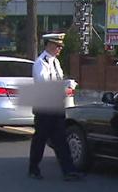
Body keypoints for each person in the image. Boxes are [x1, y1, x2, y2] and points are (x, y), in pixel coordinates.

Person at [28, 33, 83, 181]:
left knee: (60, 139)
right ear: (48, 45)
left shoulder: (55, 62)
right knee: (40, 138)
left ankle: (68, 170)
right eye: (57, 46)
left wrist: (68, 84)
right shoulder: (41, 63)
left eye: (60, 46)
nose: (59, 49)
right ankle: (33, 168)